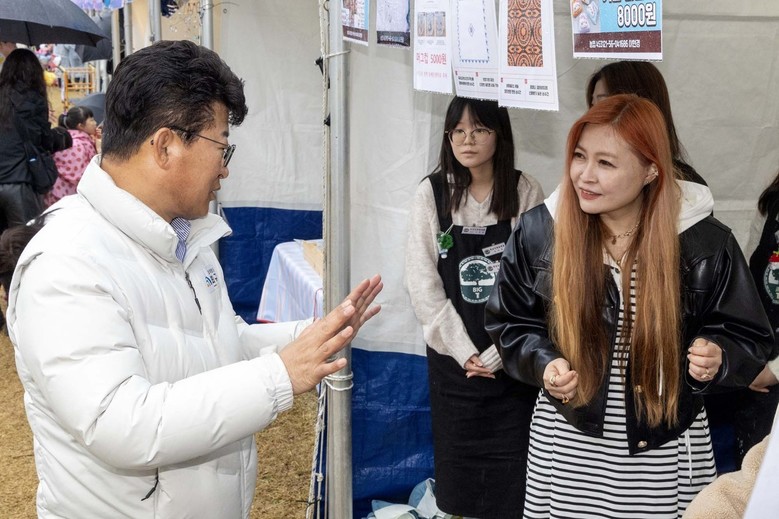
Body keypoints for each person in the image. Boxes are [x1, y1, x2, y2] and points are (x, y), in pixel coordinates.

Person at [6, 40, 383, 518]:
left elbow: (217, 343)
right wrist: (280, 375)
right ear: (165, 145)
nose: (225, 168)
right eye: (221, 147)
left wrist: (310, 338)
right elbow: (122, 424)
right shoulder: (67, 261)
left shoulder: (182, 236)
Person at [485, 94, 772, 518]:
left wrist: (719, 356)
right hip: (568, 439)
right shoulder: (541, 230)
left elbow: (749, 335)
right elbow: (509, 321)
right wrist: (544, 362)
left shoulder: (705, 242)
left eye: (606, 163)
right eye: (579, 156)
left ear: (651, 169)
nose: (585, 175)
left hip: (664, 445)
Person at [405, 97, 544, 518]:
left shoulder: (524, 191)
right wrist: (464, 350)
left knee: (515, 483)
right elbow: (422, 282)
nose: (467, 140)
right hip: (454, 367)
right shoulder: (431, 193)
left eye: (480, 129)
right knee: (459, 482)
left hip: (513, 365)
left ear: (500, 135)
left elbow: (537, 282)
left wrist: (500, 352)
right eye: (458, 131)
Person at [585, 60, 708, 186]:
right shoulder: (584, 175)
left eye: (603, 105)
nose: (591, 116)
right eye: (592, 106)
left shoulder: (689, 188)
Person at [0, 48, 71, 234]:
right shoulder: (32, 100)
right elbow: (41, 140)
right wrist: (61, 136)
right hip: (20, 181)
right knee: (23, 241)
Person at [44, 105, 99, 206]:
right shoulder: (82, 144)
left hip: (55, 195)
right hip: (72, 198)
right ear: (80, 126)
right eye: (91, 120)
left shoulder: (63, 139)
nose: (95, 123)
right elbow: (89, 174)